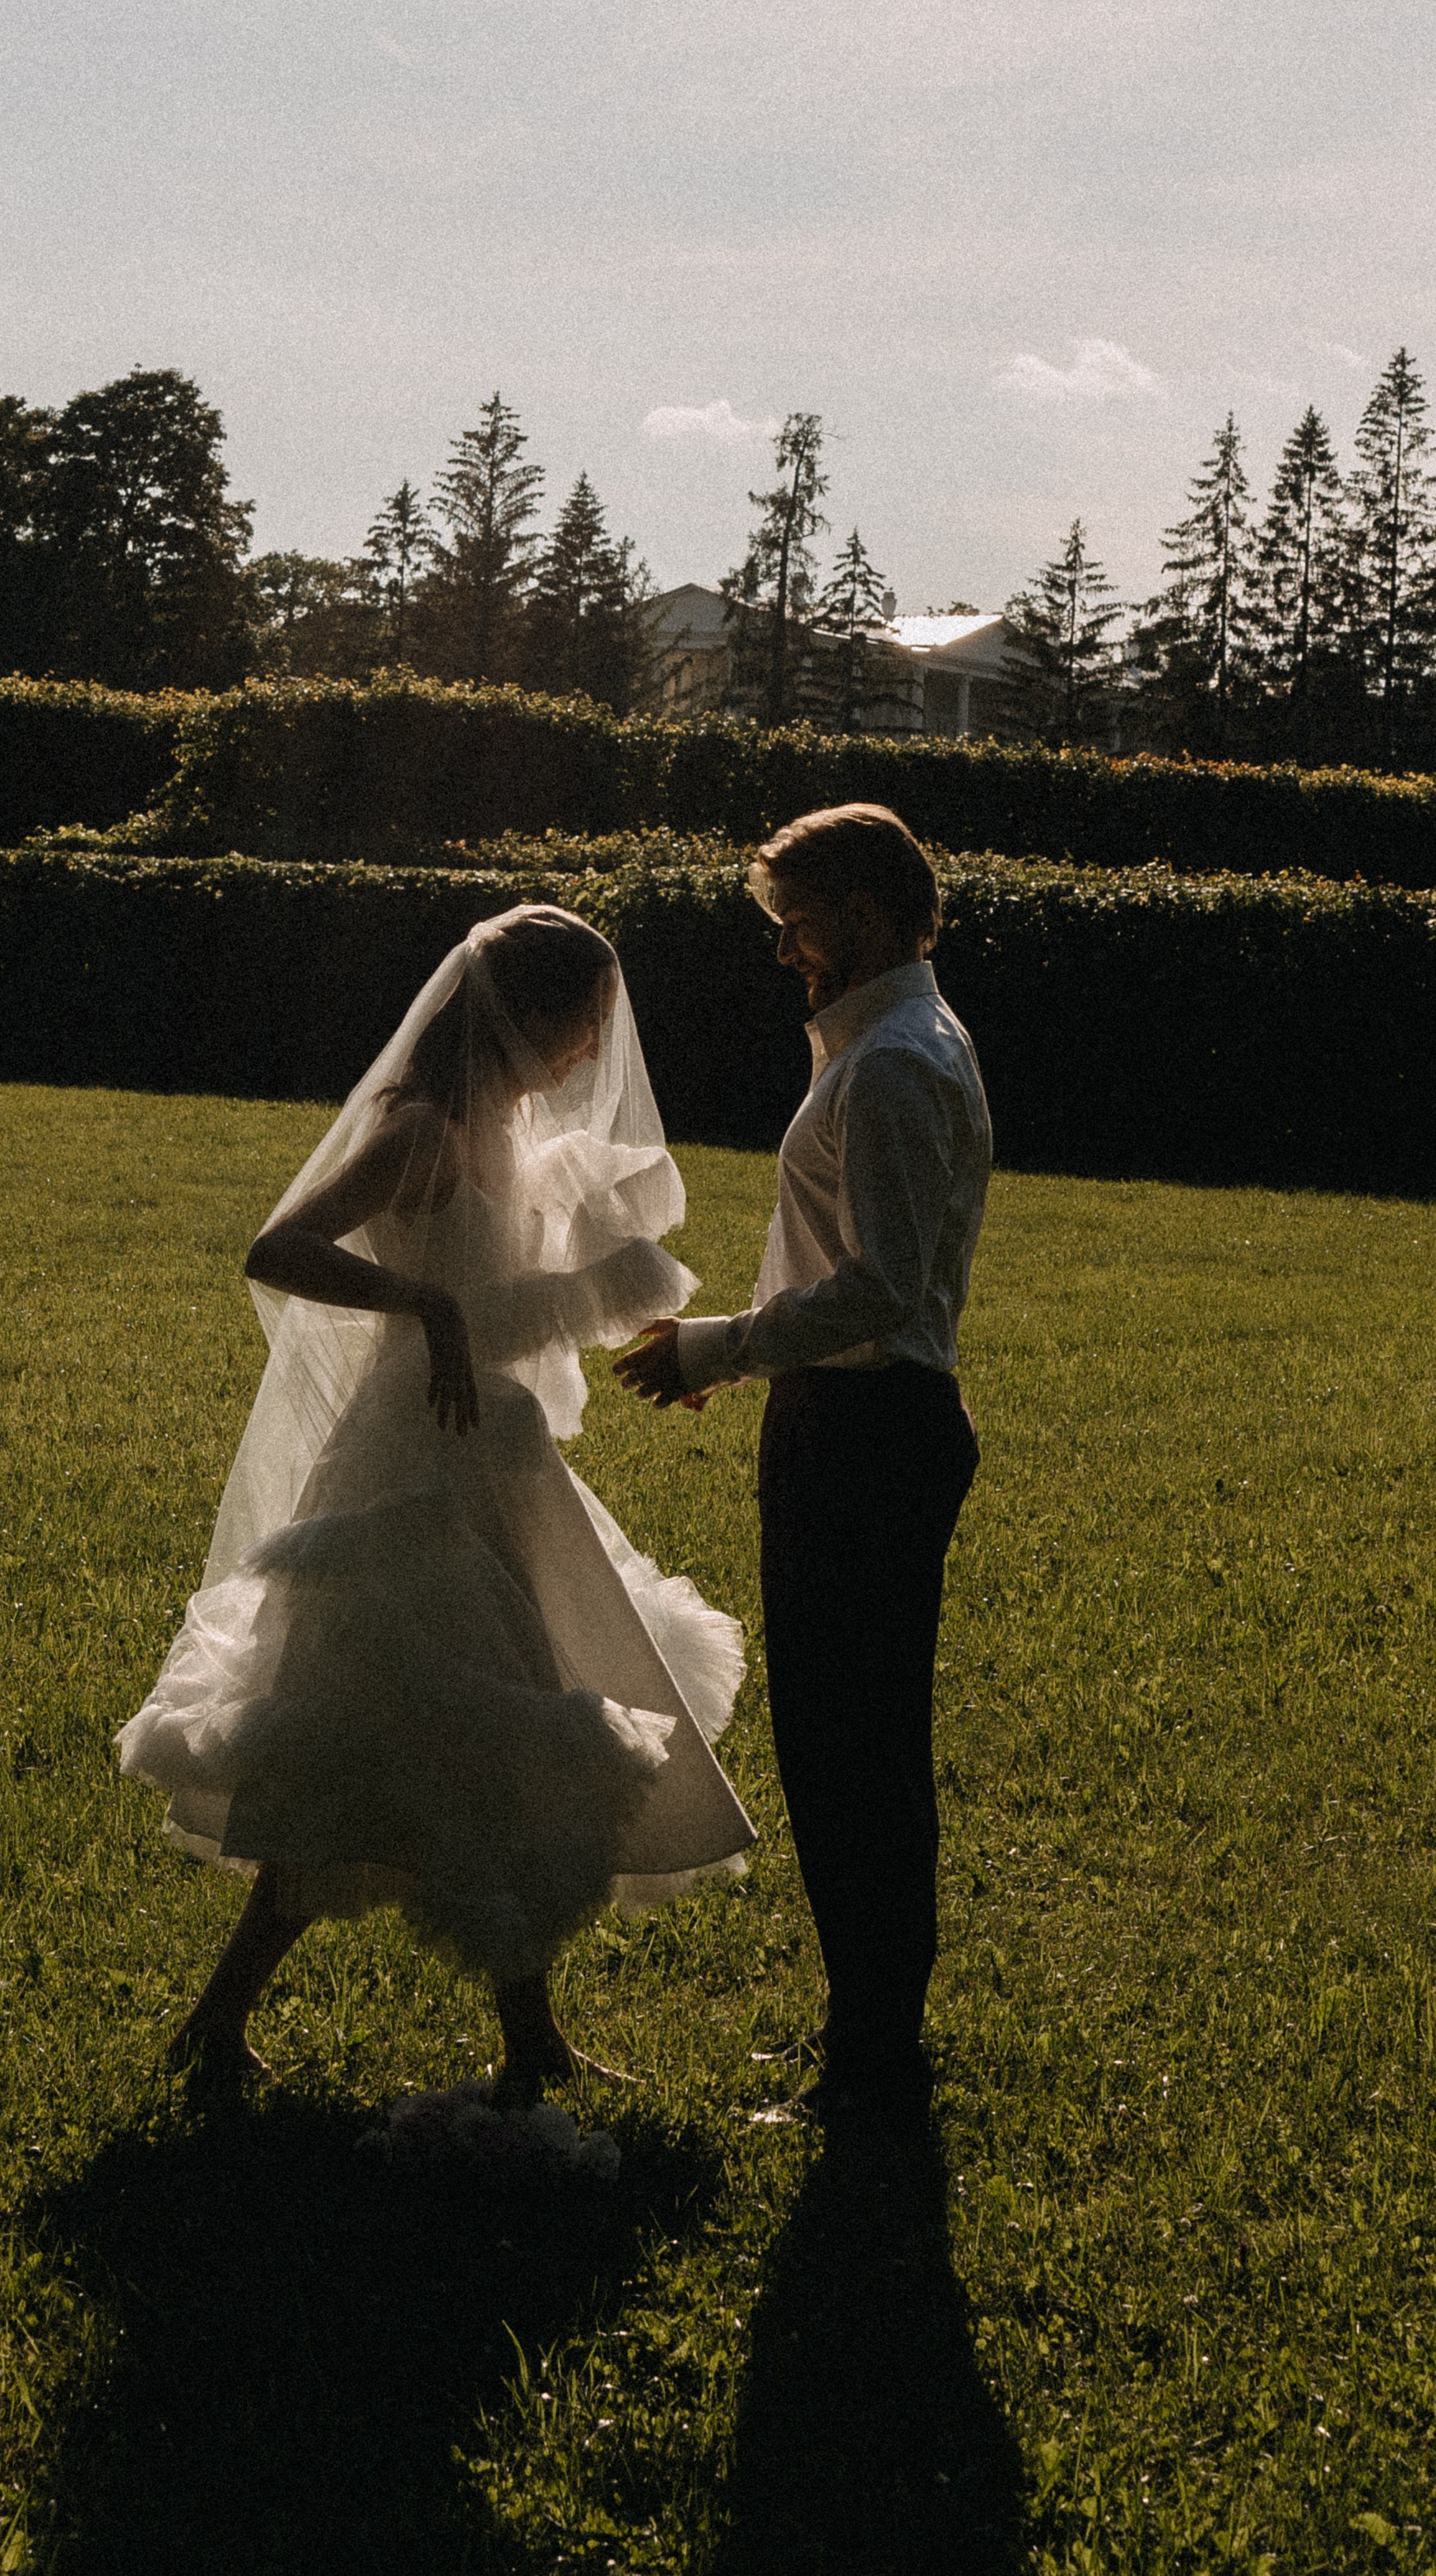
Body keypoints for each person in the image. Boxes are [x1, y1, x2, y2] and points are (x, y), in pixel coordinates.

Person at [119, 904, 754, 2105]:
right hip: (413, 1465)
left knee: (505, 1728)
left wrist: (599, 1290)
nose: (592, 1050)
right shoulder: (426, 1129)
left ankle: (520, 2038)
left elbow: (501, 1297)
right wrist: (424, 1305)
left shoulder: (508, 1135)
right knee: (397, 1724)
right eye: (583, 1024)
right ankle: (223, 2020)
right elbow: (279, 1247)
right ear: (528, 1016)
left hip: (492, 1452)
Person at [615, 805, 991, 2123]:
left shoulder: (892, 1065)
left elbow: (883, 1289)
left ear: (867, 916)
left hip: (867, 1435)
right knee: (846, 1748)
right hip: (853, 1420)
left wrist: (716, 1345)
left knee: (855, 1757)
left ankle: (875, 2061)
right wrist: (743, 1362)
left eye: (798, 923)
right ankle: (864, 2030)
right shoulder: (889, 1044)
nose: (783, 951)